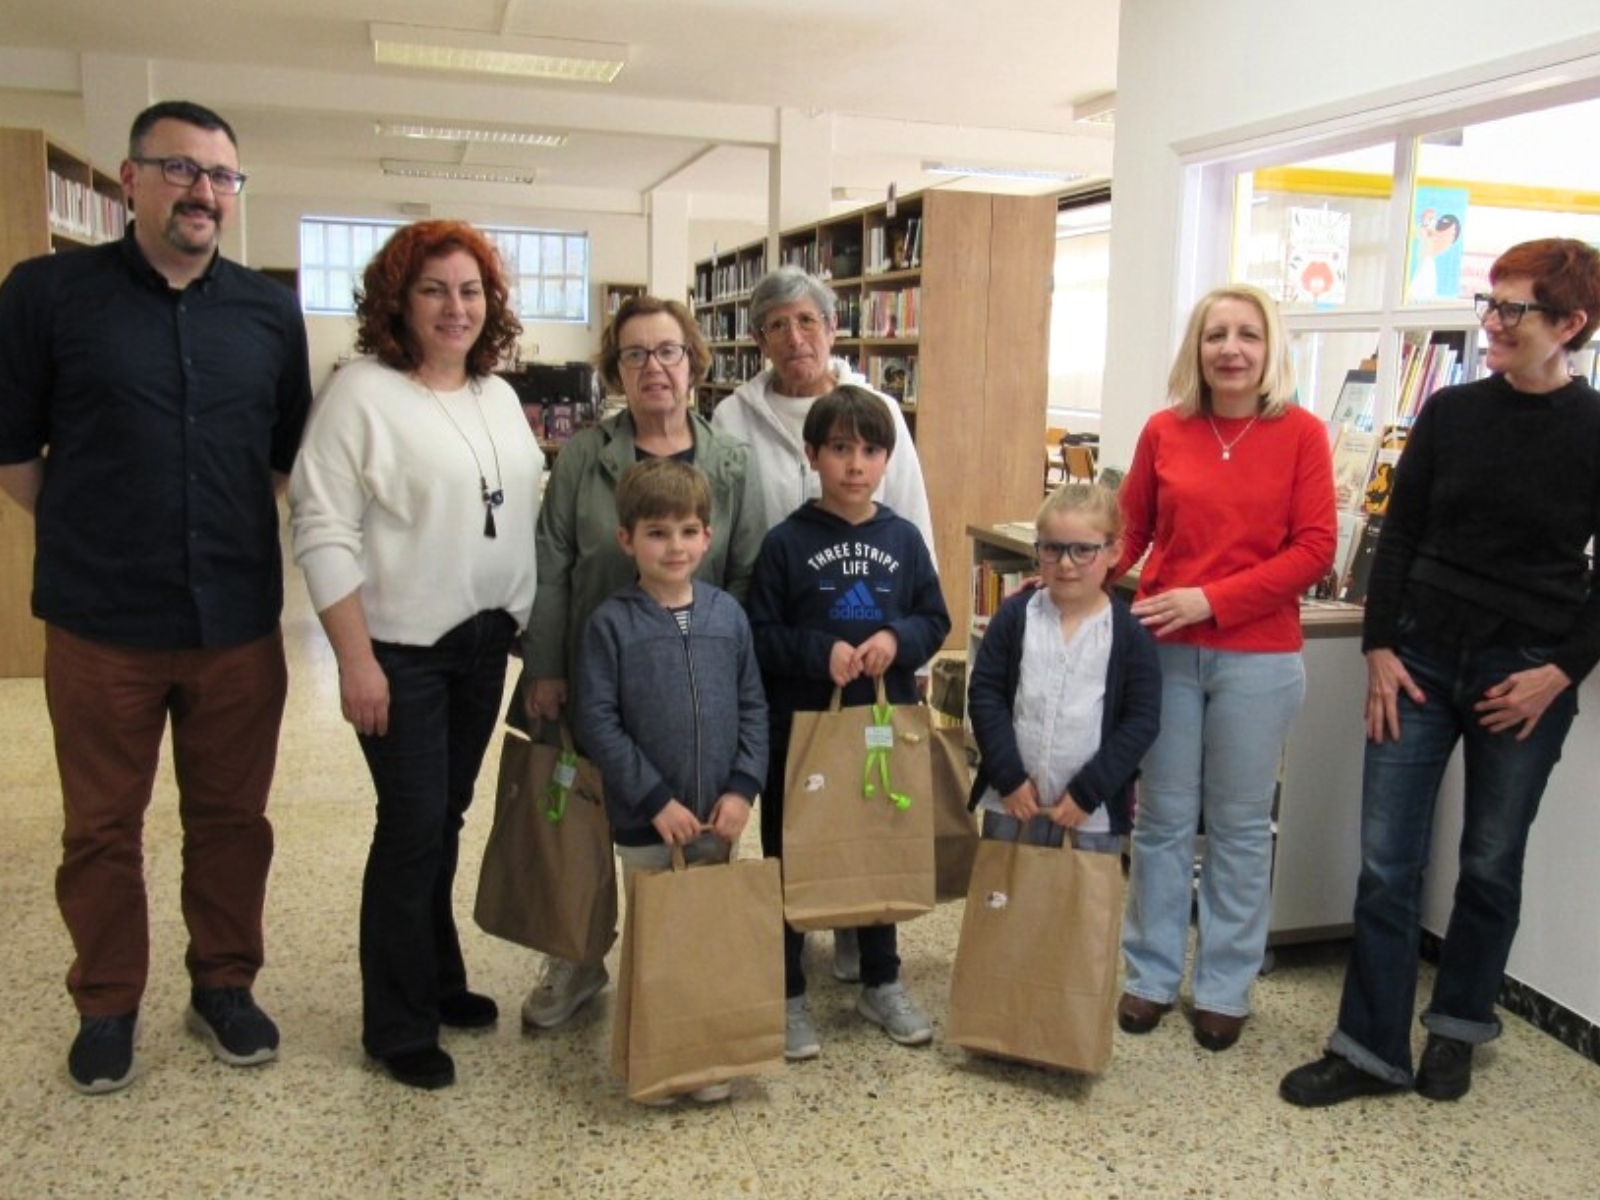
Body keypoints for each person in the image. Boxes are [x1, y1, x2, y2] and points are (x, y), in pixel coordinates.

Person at [0, 100, 312, 1095]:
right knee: (101, 826)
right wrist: (103, 527)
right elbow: (13, 453)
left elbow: (279, 458)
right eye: (179, 169)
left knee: (233, 819)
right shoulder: (46, 292)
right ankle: (106, 1002)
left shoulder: (268, 311)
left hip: (233, 622)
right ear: (129, 180)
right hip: (102, 624)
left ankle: (222, 983)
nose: (203, 192)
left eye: (222, 176)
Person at [1280, 239, 1600, 1107]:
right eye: (1489, 305)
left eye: (1513, 310)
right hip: (1419, 657)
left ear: (1570, 324)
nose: (1491, 325)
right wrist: (1381, 647)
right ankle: (1368, 1049)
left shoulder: (1594, 429)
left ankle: (1457, 1029)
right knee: (1387, 864)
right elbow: (1397, 538)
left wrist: (1561, 673)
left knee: (1491, 862)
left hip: (1523, 672)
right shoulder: (1452, 414)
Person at [288, 220, 541, 1090]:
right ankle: (395, 1026)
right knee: (409, 829)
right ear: (398, 300)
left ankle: (439, 981)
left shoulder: (496, 396)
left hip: (483, 646)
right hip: (400, 650)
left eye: (470, 290)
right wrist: (354, 662)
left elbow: (514, 518)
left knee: (443, 820)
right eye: (434, 289)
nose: (454, 307)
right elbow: (321, 528)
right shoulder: (360, 393)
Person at [520, 294, 765, 1031]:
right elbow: (553, 563)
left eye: (668, 351)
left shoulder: (729, 459)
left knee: (672, 840)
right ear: (615, 371)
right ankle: (576, 960)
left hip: (693, 681)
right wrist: (544, 667)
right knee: (582, 828)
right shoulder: (584, 458)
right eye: (635, 355)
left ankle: (681, 987)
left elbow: (745, 570)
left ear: (694, 360)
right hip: (590, 666)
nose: (654, 368)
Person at [1115, 283, 1336, 1052]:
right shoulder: (1164, 431)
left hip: (1258, 658)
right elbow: (1131, 531)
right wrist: (1073, 571)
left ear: (1270, 348)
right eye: (1216, 335)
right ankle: (1148, 975)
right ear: (1197, 348)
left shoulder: (1303, 434)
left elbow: (1313, 551)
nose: (1231, 349)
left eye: (1247, 335)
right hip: (1165, 654)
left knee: (1240, 829)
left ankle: (1223, 986)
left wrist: (1209, 600)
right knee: (1164, 821)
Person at [712, 263, 938, 983]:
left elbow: (916, 544)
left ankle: (859, 930)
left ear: (832, 329)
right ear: (758, 340)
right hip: (787, 651)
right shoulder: (734, 417)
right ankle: (791, 963)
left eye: (807, 320)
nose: (794, 336)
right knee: (799, 804)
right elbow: (725, 534)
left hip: (876, 663)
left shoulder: (875, 410)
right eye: (777, 324)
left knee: (869, 809)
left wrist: (911, 650)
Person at [746, 384, 950, 1059]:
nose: (854, 465)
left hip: (878, 725)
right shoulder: (785, 543)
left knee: (877, 844)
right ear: (812, 455)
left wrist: (898, 639)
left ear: (888, 459)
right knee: (793, 848)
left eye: (869, 450)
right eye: (839, 450)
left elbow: (935, 618)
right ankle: (787, 993)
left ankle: (880, 979)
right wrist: (818, 651)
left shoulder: (905, 538)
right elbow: (760, 632)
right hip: (800, 728)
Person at [574, 458, 768, 1105]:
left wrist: (743, 788)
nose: (675, 546)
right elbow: (597, 722)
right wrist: (655, 800)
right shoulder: (611, 624)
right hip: (646, 820)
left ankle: (706, 1057)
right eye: (657, 533)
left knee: (709, 936)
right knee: (657, 939)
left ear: (707, 538)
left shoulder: (727, 617)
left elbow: (753, 708)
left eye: (688, 531)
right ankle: (656, 1059)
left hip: (719, 817)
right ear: (626, 539)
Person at [967, 483, 1161, 856]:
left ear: (1113, 552)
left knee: (1078, 911)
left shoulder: (1128, 636)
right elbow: (986, 694)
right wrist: (1009, 778)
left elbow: (1141, 721)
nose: (1067, 563)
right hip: (1012, 803)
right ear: (1037, 550)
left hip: (1089, 815)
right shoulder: (1015, 616)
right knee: (1004, 905)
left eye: (1083, 550)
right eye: (1053, 549)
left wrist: (1088, 792)